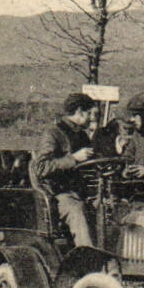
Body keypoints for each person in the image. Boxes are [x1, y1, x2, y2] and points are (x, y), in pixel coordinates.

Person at [33, 92, 100, 248]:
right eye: (89, 113)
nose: (92, 118)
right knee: (78, 211)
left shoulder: (82, 135)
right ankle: (88, 261)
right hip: (61, 195)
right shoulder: (53, 134)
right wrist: (74, 158)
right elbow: (41, 168)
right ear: (79, 111)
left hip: (84, 192)